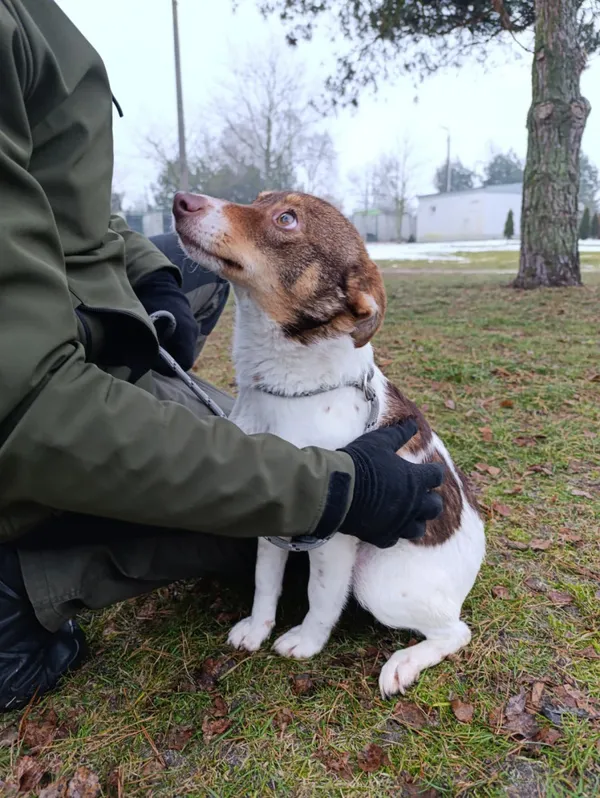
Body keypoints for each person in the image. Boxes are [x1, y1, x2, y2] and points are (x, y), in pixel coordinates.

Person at [0, 0, 444, 712]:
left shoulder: (31, 19)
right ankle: (16, 591)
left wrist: (148, 276)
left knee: (241, 458)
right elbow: (27, 406)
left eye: (284, 218)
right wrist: (329, 492)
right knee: (259, 527)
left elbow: (64, 202)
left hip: (58, 325)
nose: (228, 209)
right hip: (27, 397)